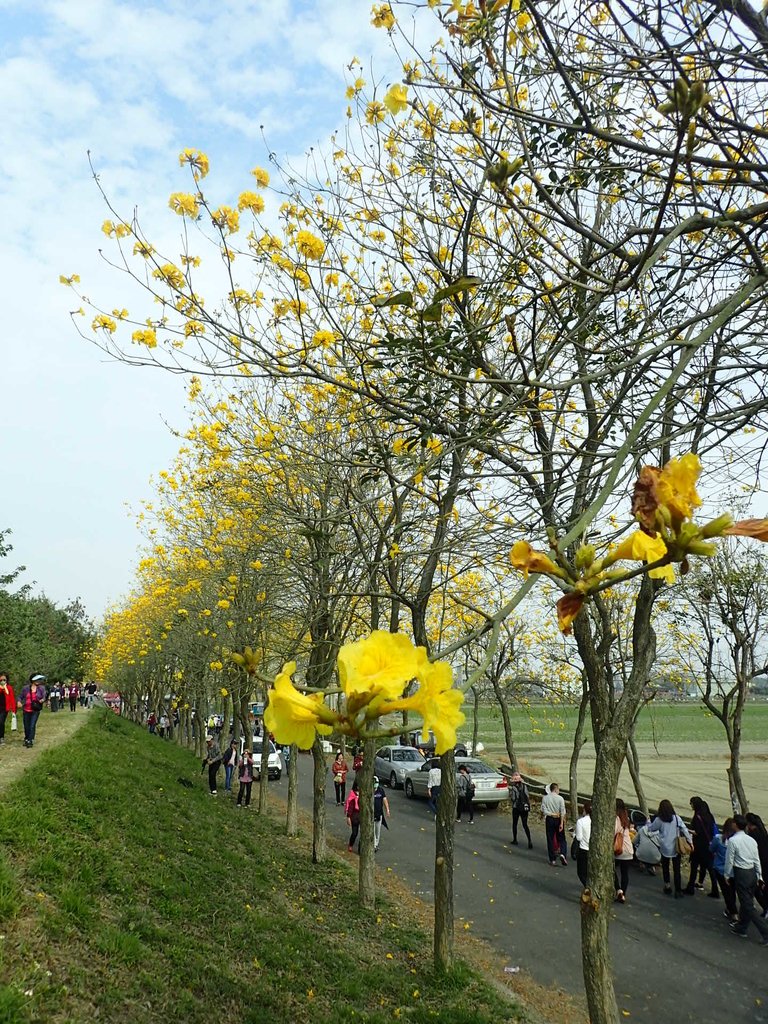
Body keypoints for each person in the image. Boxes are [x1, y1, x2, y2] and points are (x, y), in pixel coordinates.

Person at [724, 815, 768, 944]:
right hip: (752, 873)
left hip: (741, 873)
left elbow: (730, 860)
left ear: (735, 825)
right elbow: (756, 859)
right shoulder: (751, 841)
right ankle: (741, 927)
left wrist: (727, 875)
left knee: (748, 905)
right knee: (747, 901)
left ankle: (765, 932)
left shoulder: (733, 841)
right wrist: (759, 876)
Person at [647, 799, 692, 898]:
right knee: (676, 870)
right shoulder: (676, 818)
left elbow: (652, 828)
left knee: (666, 867)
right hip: (675, 847)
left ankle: (667, 885)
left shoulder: (659, 820)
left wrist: (648, 823)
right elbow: (684, 830)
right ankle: (678, 890)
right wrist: (690, 842)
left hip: (664, 847)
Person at [685, 796, 718, 896]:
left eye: (691, 803)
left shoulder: (698, 817)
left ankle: (690, 887)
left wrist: (687, 830)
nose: (691, 806)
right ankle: (715, 889)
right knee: (709, 867)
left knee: (694, 866)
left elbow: (697, 832)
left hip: (699, 845)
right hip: (709, 845)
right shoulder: (709, 816)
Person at [710, 818, 739, 922]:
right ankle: (730, 909)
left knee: (726, 892)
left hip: (720, 869)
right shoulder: (737, 842)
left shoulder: (718, 839)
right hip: (734, 871)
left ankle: (734, 912)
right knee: (732, 891)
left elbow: (711, 849)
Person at [745, 813, 768, 915]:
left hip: (758, 865)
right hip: (764, 863)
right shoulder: (763, 832)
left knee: (756, 888)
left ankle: (765, 907)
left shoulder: (752, 835)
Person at [541, 782, 568, 866]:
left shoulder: (545, 798)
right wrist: (561, 823)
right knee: (562, 839)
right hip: (558, 819)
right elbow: (562, 811)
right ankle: (563, 853)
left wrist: (551, 814)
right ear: (556, 789)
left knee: (550, 839)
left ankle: (552, 859)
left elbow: (544, 810)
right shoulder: (560, 798)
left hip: (549, 819)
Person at [18, 674, 47, 748]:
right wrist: (19, 702)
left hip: (35, 710)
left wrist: (42, 700)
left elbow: (44, 696)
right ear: (32, 680)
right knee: (26, 725)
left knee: (32, 725)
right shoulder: (25, 688)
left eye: (39, 680)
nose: (38, 681)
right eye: (37, 680)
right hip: (26, 709)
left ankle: (30, 740)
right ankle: (27, 738)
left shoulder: (41, 688)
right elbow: (20, 696)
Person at [614, 799, 633, 903]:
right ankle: (623, 894)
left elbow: (614, 831)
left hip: (620, 849)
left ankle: (618, 889)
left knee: (611, 869)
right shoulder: (626, 817)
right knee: (625, 873)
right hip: (628, 849)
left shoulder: (617, 818)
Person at [509, 771, 532, 848]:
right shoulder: (524, 787)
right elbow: (527, 796)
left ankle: (515, 839)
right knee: (525, 824)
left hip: (516, 807)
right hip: (524, 807)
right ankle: (529, 840)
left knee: (515, 824)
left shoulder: (513, 788)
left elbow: (513, 798)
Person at [574, 800, 592, 887]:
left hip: (584, 849)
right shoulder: (595, 821)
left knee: (581, 873)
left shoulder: (581, 821)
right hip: (593, 850)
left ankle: (588, 889)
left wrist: (574, 834)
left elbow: (579, 837)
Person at [373, 776, 390, 852]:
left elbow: (384, 800)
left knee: (377, 831)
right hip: (371, 814)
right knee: (372, 830)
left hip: (379, 814)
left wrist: (387, 810)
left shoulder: (380, 790)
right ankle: (373, 845)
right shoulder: (369, 791)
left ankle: (376, 844)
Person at [0, 672, 16, 744]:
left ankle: (1, 737)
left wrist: (13, 710)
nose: (2, 681)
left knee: (1, 722)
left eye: (4, 680)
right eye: (1, 680)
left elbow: (12, 698)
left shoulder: (9, 688)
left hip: (4, 708)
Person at [345, 780, 361, 852]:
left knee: (363, 834)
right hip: (355, 816)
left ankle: (360, 849)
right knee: (355, 833)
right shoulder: (353, 794)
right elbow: (350, 806)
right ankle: (351, 844)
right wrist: (348, 817)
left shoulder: (364, 793)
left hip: (362, 816)